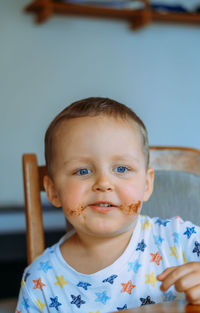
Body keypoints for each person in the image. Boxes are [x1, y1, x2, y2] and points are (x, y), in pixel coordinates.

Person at [16, 97, 200, 313]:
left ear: (147, 184)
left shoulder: (180, 239)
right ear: (54, 191)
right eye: (82, 171)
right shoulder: (41, 281)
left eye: (121, 169)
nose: (103, 183)